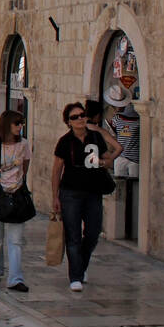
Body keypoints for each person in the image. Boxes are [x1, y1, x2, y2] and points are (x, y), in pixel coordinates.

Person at [51, 101, 121, 292]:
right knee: (73, 235)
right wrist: (55, 197)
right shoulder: (65, 142)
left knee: (92, 233)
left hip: (93, 192)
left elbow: (107, 158)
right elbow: (57, 170)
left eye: (82, 115)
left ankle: (80, 266)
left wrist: (104, 162)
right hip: (70, 193)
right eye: (75, 117)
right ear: (68, 121)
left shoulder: (96, 137)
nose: (80, 119)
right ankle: (75, 276)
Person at [0, 110, 31, 292]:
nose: (20, 127)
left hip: (17, 197)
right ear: (7, 124)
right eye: (16, 123)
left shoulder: (24, 144)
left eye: (21, 123)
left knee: (16, 239)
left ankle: (15, 278)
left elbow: (25, 167)